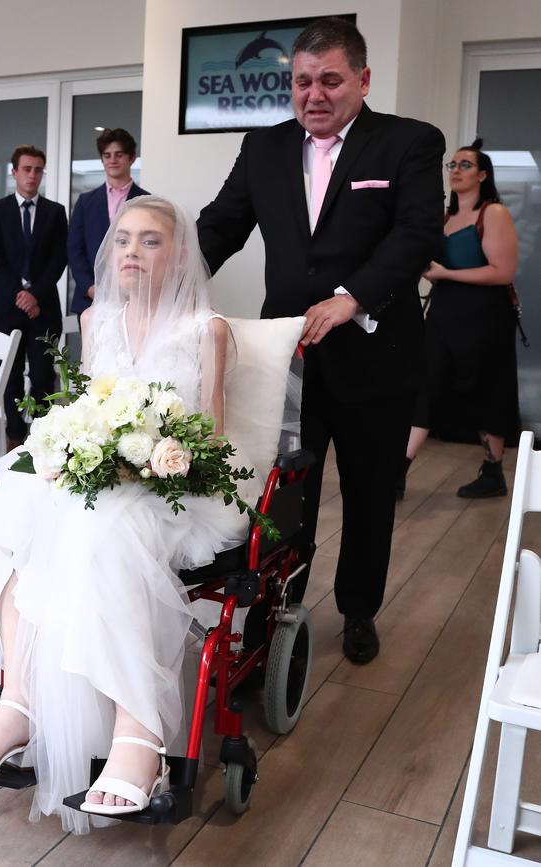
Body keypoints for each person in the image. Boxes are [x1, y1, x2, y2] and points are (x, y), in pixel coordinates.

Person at [0, 196, 262, 833]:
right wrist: (75, 450)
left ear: (178, 255)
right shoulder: (94, 322)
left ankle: (138, 734)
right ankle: (23, 702)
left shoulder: (207, 328)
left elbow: (215, 436)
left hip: (175, 482)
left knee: (106, 531)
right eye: (124, 241)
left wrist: (150, 458)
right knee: (12, 524)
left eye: (151, 242)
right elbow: (82, 409)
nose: (134, 253)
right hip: (98, 475)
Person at [197, 16, 445, 665]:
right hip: (287, 360)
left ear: (362, 80)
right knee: (284, 494)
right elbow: (220, 227)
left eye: (330, 80)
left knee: (368, 495)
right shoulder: (264, 148)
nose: (315, 94)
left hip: (377, 357)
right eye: (303, 81)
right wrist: (156, 277)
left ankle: (359, 609)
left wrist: (350, 297)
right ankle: (279, 608)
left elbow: (417, 235)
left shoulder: (408, 144)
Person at [401, 139, 519, 499]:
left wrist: (445, 275)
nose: (455, 171)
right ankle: (398, 470)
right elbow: (435, 268)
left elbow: (503, 272)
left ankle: (493, 471)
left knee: (487, 390)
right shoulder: (446, 218)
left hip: (485, 318)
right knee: (427, 385)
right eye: (451, 165)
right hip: (445, 313)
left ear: (483, 174)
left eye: (465, 165)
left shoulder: (493, 213)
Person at [0, 145, 68, 450]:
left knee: (44, 375)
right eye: (27, 169)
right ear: (14, 172)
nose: (32, 175)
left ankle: (42, 437)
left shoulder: (56, 212)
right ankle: (15, 434)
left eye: (38, 170)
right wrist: (20, 295)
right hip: (6, 307)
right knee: (11, 375)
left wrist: (34, 295)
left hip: (43, 308)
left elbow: (59, 260)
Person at [68, 128, 149, 318]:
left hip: (134, 297)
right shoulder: (85, 201)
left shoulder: (147, 201)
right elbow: (74, 249)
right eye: (107, 155)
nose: (112, 160)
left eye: (119, 155)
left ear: (132, 158)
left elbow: (148, 248)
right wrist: (89, 287)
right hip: (91, 298)